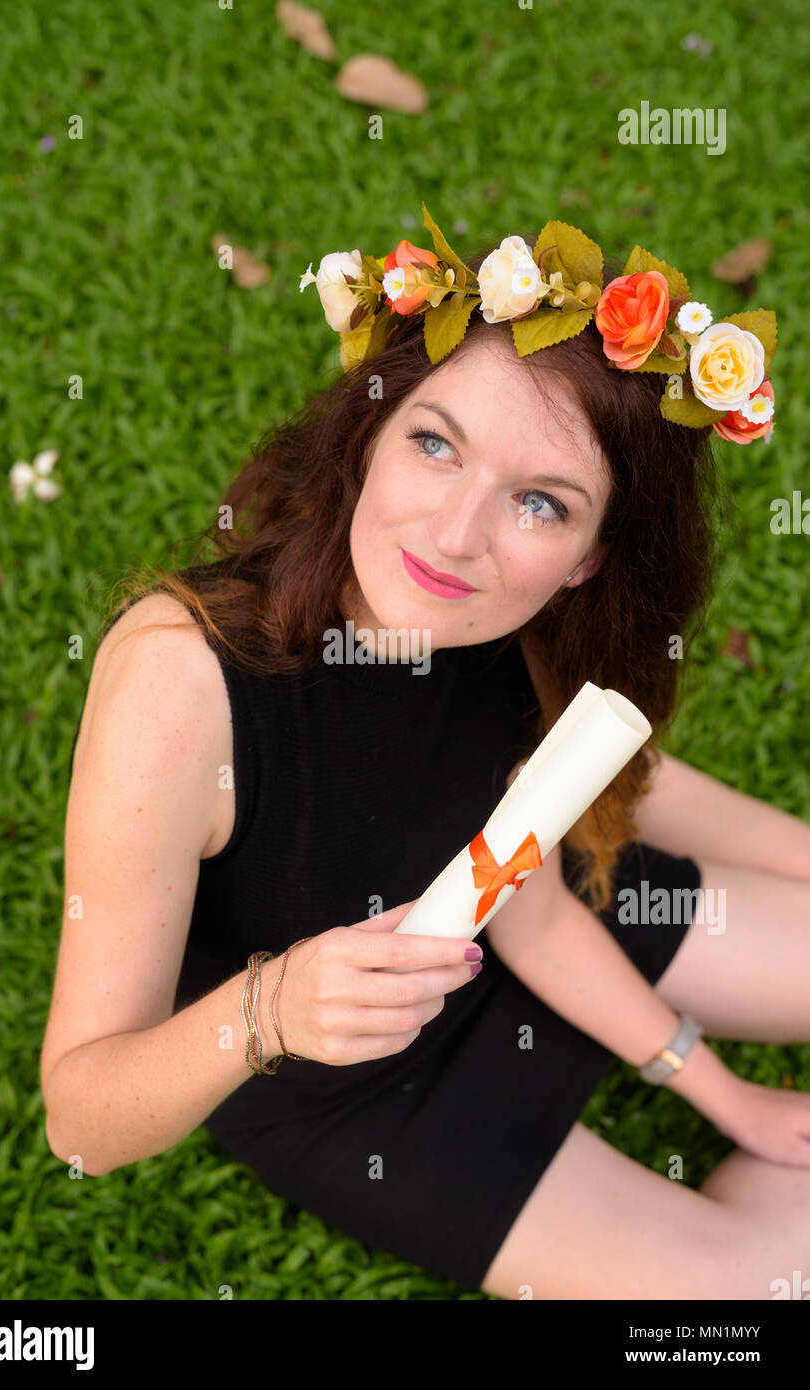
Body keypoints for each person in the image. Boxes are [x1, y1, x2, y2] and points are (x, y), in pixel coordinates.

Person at [41, 214, 810, 1300]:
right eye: (436, 443)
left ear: (592, 558)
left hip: (536, 922)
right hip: (350, 1078)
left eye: (540, 501)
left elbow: (528, 896)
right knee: (768, 1289)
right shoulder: (180, 687)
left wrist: (721, 1092)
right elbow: (80, 1120)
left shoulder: (526, 624)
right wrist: (272, 1008)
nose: (456, 535)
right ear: (370, 430)